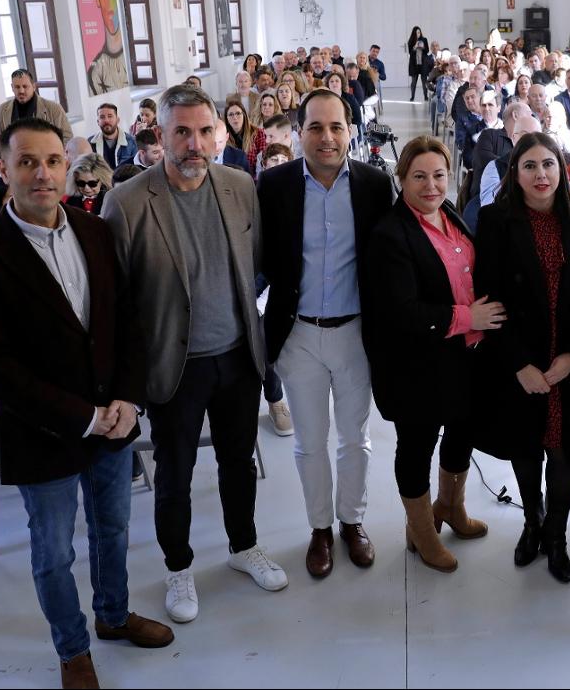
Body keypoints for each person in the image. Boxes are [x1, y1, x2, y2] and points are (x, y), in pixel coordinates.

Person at [0, 117, 173, 688]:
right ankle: (73, 649)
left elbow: (127, 321)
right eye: (27, 162)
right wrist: (82, 418)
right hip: (42, 432)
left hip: (114, 419)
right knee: (52, 552)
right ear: (5, 170)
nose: (43, 174)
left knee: (114, 530)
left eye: (52, 161)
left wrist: (127, 396)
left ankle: (114, 615)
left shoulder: (95, 232)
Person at [102, 84, 288, 626]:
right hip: (173, 365)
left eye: (205, 131)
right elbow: (119, 300)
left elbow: (252, 264)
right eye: (181, 131)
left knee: (238, 462)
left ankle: (243, 545)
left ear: (220, 134)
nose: (194, 143)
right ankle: (178, 566)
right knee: (176, 472)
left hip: (236, 355)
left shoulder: (238, 186)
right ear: (160, 136)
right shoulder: (129, 201)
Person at [258, 89, 395, 579]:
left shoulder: (375, 185)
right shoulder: (273, 186)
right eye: (315, 127)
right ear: (299, 133)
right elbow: (259, 259)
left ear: (351, 131)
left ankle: (351, 522)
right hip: (299, 336)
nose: (327, 137)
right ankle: (319, 529)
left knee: (355, 439)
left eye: (336, 127)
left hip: (356, 332)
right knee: (310, 441)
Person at [473, 132, 570, 584]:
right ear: (515, 173)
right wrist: (518, 364)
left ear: (561, 168)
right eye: (529, 165)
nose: (540, 174)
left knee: (566, 447)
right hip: (523, 357)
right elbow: (488, 296)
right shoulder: (496, 220)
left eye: (548, 164)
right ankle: (532, 523)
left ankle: (557, 533)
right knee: (526, 447)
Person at [364, 137, 503, 573]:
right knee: (417, 446)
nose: (431, 185)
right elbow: (400, 312)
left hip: (464, 356)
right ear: (401, 178)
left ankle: (451, 508)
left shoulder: (451, 216)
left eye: (439, 175)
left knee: (462, 433)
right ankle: (422, 533)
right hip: (416, 363)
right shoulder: (390, 233)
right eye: (419, 176)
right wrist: (469, 315)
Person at [0, 68, 73, 139]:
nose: (21, 91)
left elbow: (67, 138)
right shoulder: (3, 109)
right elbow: (1, 141)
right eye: (17, 87)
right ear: (12, 87)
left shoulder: (54, 108)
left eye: (25, 86)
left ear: (33, 86)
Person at [224, 99, 266, 175]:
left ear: (244, 115)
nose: (235, 117)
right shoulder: (223, 137)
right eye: (231, 114)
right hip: (230, 177)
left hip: (252, 177)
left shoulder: (258, 133)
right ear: (226, 119)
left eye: (238, 113)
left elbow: (263, 160)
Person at [88, 103, 137, 170]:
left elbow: (136, 169)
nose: (106, 120)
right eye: (102, 117)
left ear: (117, 120)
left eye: (110, 116)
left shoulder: (132, 142)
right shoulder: (90, 143)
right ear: (98, 122)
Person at [407, 26, 431, 101]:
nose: (418, 34)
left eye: (419, 32)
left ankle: (425, 96)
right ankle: (412, 96)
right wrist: (414, 47)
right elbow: (410, 53)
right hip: (414, 64)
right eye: (417, 32)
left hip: (423, 63)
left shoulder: (424, 39)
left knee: (424, 81)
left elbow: (427, 51)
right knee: (413, 81)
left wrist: (423, 47)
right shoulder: (411, 41)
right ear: (414, 33)